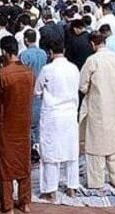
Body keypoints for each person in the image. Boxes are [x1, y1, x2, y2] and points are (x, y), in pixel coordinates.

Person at [0, 36, 35, 214]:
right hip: (23, 125)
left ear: (5, 52)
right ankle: (25, 203)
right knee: (24, 164)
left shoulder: (3, 74)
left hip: (6, 125)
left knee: (5, 166)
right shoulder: (29, 73)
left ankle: (7, 206)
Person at [35, 37, 80, 200]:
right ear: (64, 51)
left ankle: (51, 190)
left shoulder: (47, 70)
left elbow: (37, 91)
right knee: (71, 151)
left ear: (50, 53)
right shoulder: (74, 68)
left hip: (53, 115)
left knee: (50, 152)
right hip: (69, 114)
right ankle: (72, 187)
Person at [79, 31, 115, 189]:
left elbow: (83, 86)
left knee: (96, 147)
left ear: (92, 44)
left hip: (98, 107)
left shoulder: (93, 60)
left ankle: (96, 182)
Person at [20, 28, 48, 161]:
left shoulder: (24, 55)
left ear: (26, 40)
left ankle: (31, 148)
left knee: (28, 123)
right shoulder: (43, 54)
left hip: (28, 91)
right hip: (41, 91)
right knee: (38, 122)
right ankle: (38, 146)